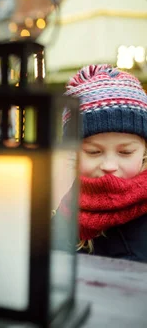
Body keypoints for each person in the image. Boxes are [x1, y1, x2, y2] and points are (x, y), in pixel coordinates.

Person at [53, 64, 147, 262]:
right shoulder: (68, 209)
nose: (109, 165)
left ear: (144, 151)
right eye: (93, 152)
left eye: (126, 152)